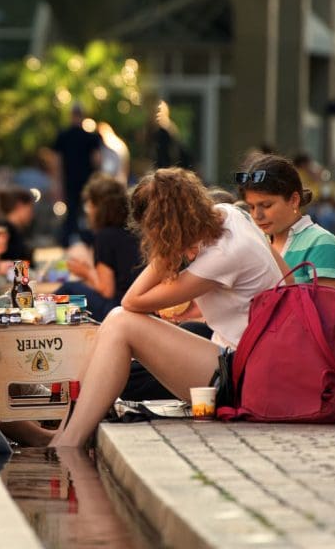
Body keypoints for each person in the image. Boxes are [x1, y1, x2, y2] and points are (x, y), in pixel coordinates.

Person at [50, 168, 288, 448]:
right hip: (253, 362)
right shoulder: (230, 214)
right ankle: (66, 432)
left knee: (122, 321)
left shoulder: (223, 256)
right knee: (117, 319)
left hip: (250, 378)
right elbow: (289, 278)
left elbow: (132, 301)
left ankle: (69, 440)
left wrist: (167, 252)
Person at [237, 152, 335, 305]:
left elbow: (334, 318)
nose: (257, 215)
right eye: (251, 206)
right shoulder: (257, 242)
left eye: (266, 205)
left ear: (294, 200)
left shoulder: (321, 243)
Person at [56, 174, 142, 321]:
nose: (87, 210)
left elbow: (107, 290)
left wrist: (86, 272)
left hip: (117, 309)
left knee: (68, 289)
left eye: (89, 205)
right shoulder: (134, 232)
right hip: (136, 306)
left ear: (98, 207)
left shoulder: (105, 236)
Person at [51, 104, 102, 247]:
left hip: (69, 180)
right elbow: (97, 160)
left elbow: (57, 162)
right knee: (87, 212)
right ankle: (87, 240)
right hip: (87, 181)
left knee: (71, 213)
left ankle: (68, 242)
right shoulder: (91, 137)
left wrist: (57, 182)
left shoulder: (63, 136)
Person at [0, 186, 35, 262]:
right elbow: (5, 262)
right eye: (30, 208)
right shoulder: (3, 230)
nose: (32, 214)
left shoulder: (15, 230)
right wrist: (26, 273)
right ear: (20, 206)